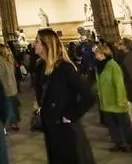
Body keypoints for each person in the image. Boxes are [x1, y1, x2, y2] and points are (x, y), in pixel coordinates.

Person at [35, 28, 95, 164]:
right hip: (50, 127)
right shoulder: (41, 68)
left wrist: (71, 115)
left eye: (37, 41)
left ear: (46, 44)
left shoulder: (65, 68)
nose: (34, 44)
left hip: (65, 128)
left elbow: (89, 96)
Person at [94, 43, 132, 152]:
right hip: (106, 101)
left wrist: (121, 99)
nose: (96, 56)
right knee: (112, 125)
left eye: (97, 53)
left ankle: (131, 143)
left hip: (117, 101)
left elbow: (119, 84)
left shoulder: (113, 65)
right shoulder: (98, 67)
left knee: (124, 124)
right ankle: (118, 143)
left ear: (104, 53)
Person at [0, 44, 19, 131]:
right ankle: (14, 122)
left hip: (5, 86)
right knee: (13, 104)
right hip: (13, 85)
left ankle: (9, 122)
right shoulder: (10, 59)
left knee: (8, 105)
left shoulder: (0, 60)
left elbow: (0, 75)